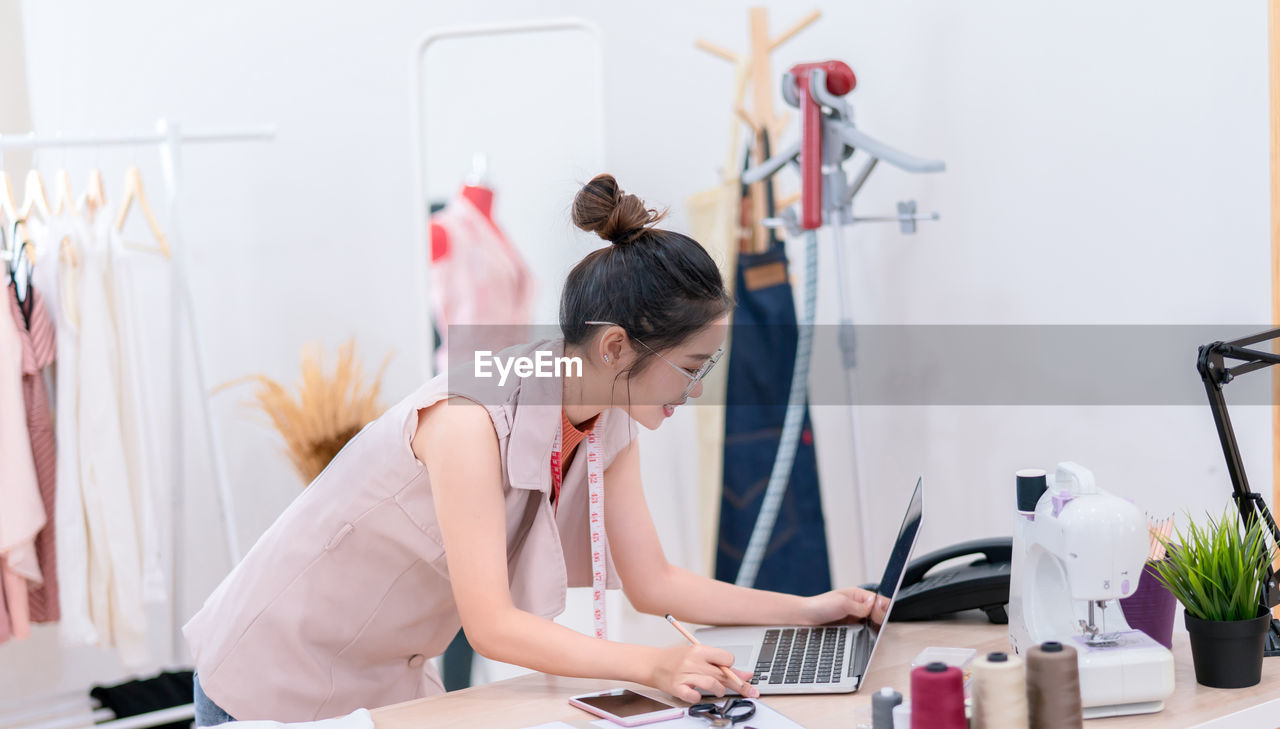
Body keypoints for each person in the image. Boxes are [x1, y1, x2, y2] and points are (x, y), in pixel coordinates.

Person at [183, 174, 889, 725]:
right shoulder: (468, 416)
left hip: (379, 677)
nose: (698, 389)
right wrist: (654, 665)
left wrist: (809, 608)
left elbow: (653, 581)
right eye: (692, 365)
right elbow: (492, 625)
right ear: (616, 346)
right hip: (272, 673)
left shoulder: (606, 415)